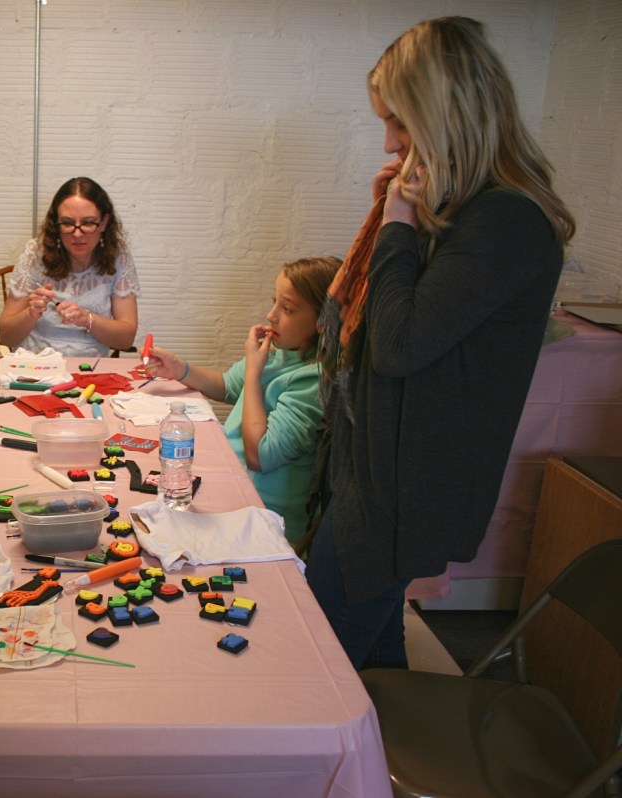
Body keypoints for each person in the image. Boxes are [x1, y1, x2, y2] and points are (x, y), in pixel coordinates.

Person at [305, 17, 575, 670]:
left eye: (401, 123)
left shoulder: (507, 220)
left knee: (316, 664)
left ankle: (348, 767)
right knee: (372, 654)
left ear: (446, 114)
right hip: (377, 475)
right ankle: (387, 766)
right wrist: (401, 221)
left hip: (401, 492)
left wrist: (398, 225)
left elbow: (397, 344)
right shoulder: (466, 210)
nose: (392, 144)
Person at [144, 257, 340, 545]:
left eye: (287, 309)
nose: (272, 316)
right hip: (232, 489)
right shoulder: (280, 352)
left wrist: (253, 370)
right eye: (274, 302)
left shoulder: (312, 380)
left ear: (323, 322)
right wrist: (180, 369)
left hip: (263, 518)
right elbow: (226, 386)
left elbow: (259, 454)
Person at [0, 177, 140, 357]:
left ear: (104, 223)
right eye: (67, 223)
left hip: (91, 369)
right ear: (56, 224)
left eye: (88, 223)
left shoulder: (118, 258)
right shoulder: (35, 254)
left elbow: (125, 339)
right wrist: (30, 314)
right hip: (36, 365)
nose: (77, 233)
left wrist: (86, 319)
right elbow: (6, 337)